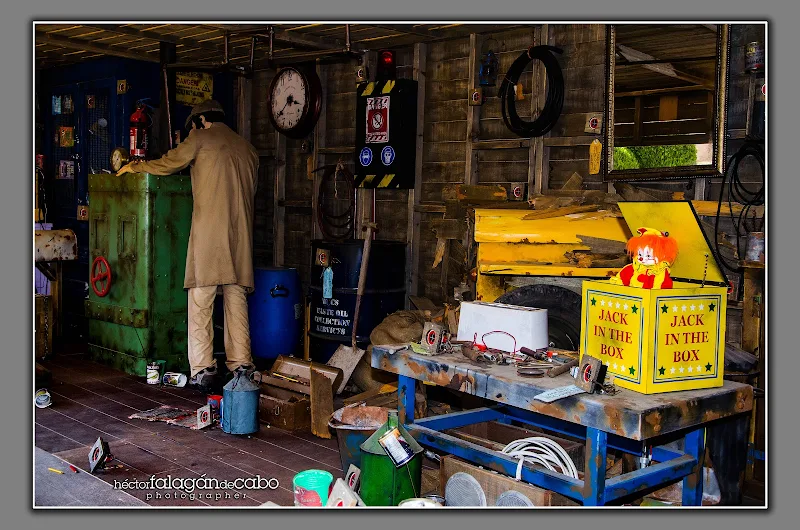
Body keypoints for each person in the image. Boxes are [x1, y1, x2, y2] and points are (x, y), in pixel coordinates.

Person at [117, 100, 259, 392]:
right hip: (241, 236)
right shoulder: (248, 149)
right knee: (236, 300)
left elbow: (169, 162)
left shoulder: (200, 138)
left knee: (201, 300)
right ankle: (242, 365)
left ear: (200, 121)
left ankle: (204, 369)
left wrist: (135, 167)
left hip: (210, 235)